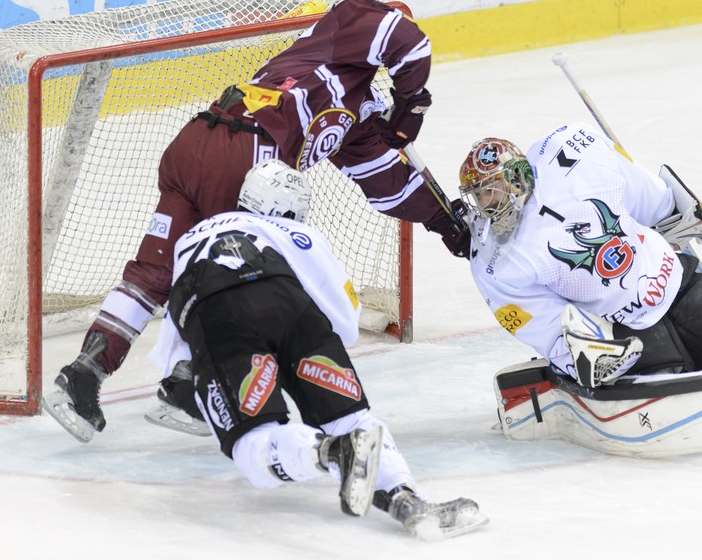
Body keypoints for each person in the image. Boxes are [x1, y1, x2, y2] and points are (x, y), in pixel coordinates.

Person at [43, 0, 469, 442]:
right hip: (243, 154)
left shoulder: (355, 112)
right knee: (236, 281)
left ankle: (83, 376)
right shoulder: (346, 26)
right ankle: (187, 387)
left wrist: (446, 223)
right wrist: (411, 105)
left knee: (154, 273)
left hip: (197, 143)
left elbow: (389, 184)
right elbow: (409, 43)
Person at [146, 160, 485, 538]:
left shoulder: (189, 241)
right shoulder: (289, 230)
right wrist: (308, 353)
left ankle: (329, 452)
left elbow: (179, 328)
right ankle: (407, 500)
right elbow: (343, 313)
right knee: (353, 419)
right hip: (291, 308)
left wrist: (180, 377)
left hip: (218, 314)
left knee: (252, 446)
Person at [457, 126, 702, 423]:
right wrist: (577, 358)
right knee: (676, 383)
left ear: (519, 177)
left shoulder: (574, 154)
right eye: (478, 196)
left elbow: (643, 191)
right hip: (625, 326)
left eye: (491, 191)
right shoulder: (494, 261)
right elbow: (536, 321)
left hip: (678, 281)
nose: (485, 205)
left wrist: (666, 212)